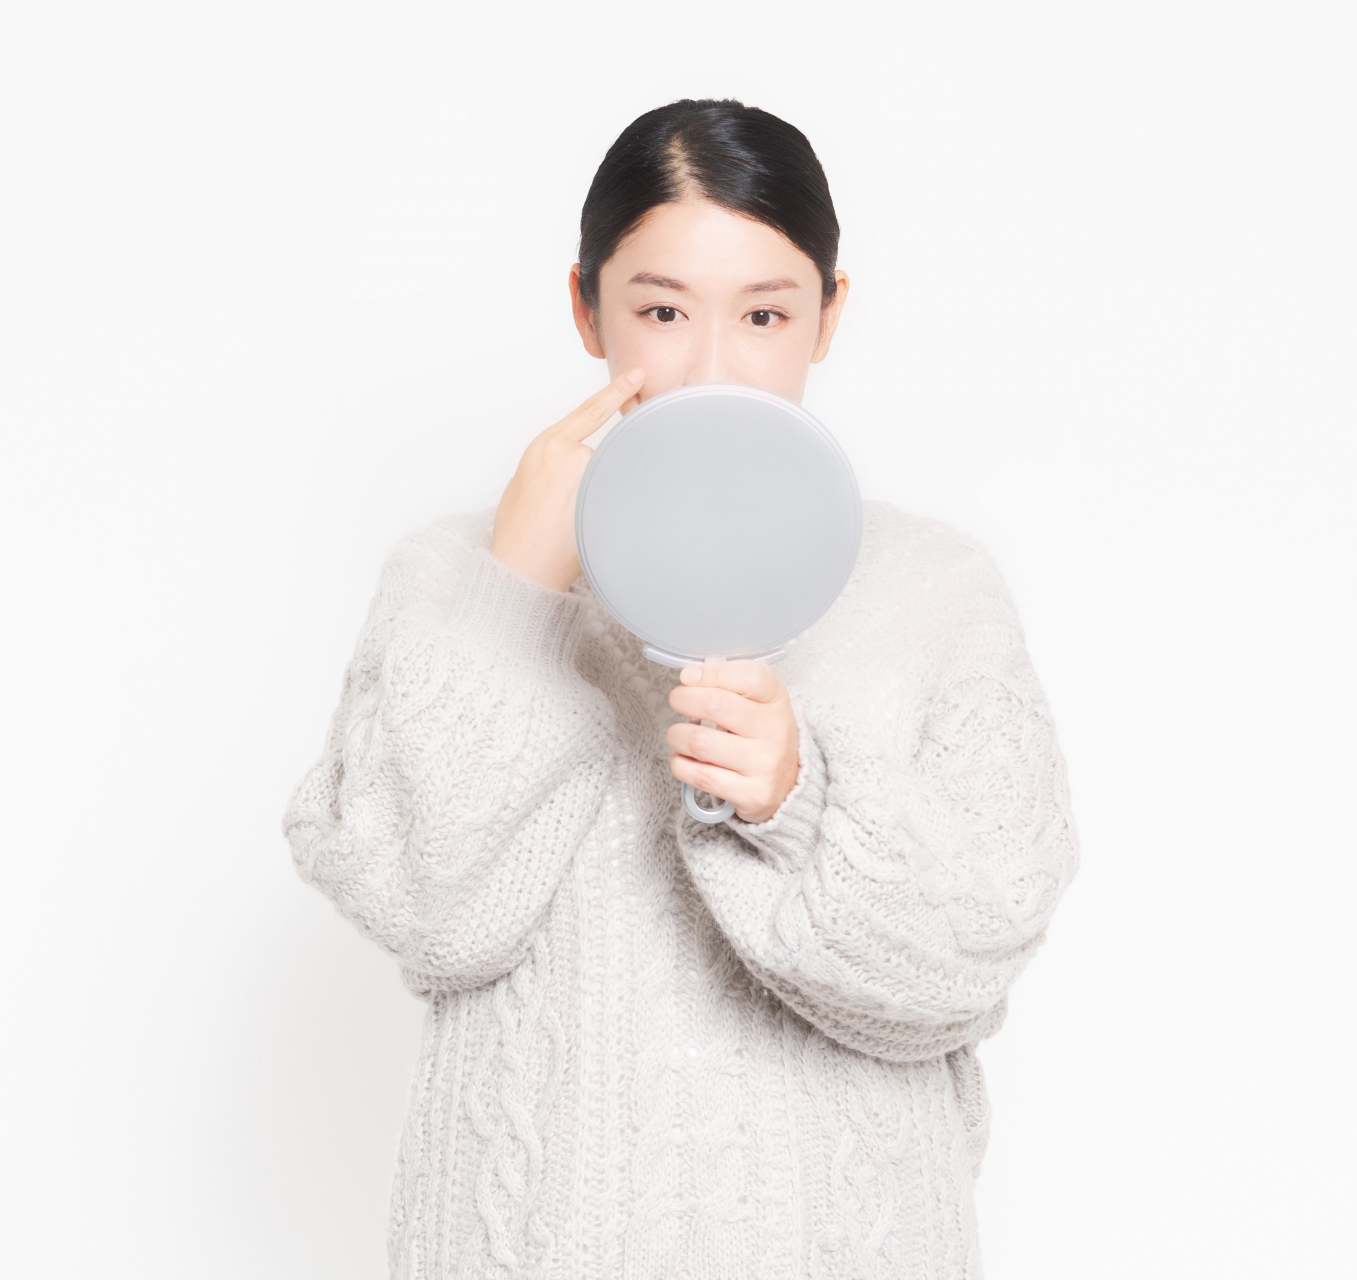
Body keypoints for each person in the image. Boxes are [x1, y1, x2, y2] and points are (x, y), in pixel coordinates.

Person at [282, 98, 1079, 1279]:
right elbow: (423, 911)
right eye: (662, 311)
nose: (712, 367)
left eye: (764, 314)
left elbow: (967, 964)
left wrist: (800, 799)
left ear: (828, 315)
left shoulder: (934, 591)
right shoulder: (455, 579)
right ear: (586, 305)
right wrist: (515, 593)